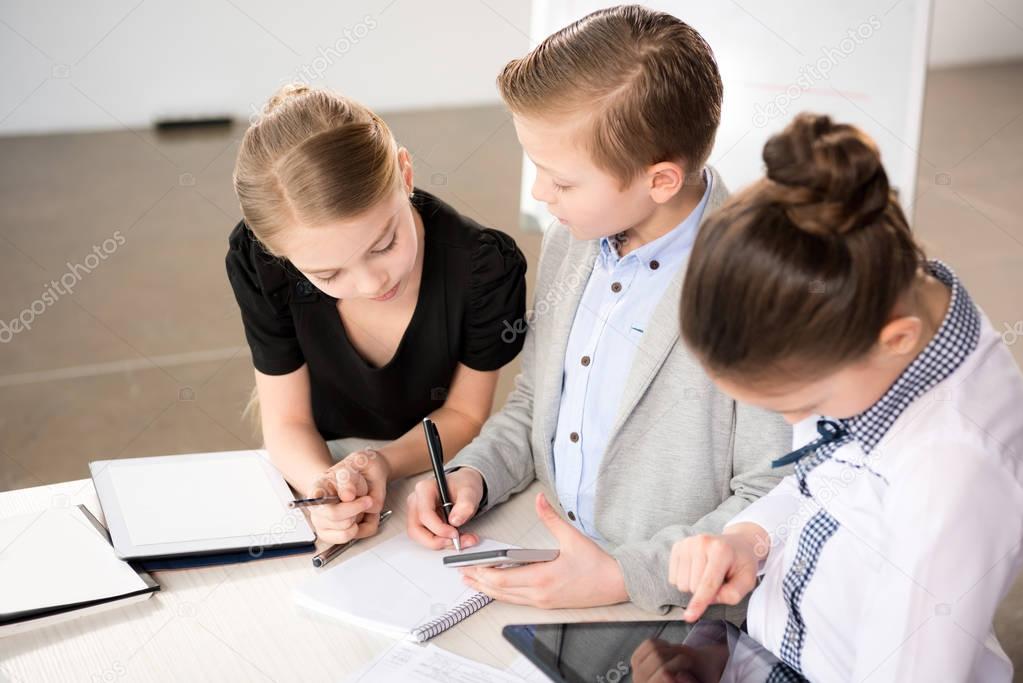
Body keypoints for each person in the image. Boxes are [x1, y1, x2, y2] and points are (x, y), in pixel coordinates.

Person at [406, 5, 790, 614]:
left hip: (671, 605)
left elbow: (775, 490)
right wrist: (475, 472)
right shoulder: (575, 237)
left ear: (659, 180)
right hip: (550, 554)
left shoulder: (763, 287)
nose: (539, 194)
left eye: (560, 181)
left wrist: (621, 576)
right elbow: (539, 403)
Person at [670, 113, 1023, 681]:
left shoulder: (953, 476)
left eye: (803, 405)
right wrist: (752, 538)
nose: (794, 422)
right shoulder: (890, 304)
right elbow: (826, 481)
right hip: (772, 648)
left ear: (894, 339)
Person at [225, 84, 527, 545]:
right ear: (278, 255)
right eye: (327, 274)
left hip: (434, 463)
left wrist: (381, 463)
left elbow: (465, 415)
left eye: (384, 245)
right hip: (312, 455)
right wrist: (324, 490)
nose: (372, 284)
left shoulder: (485, 269)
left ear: (405, 175)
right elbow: (286, 423)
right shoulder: (261, 265)